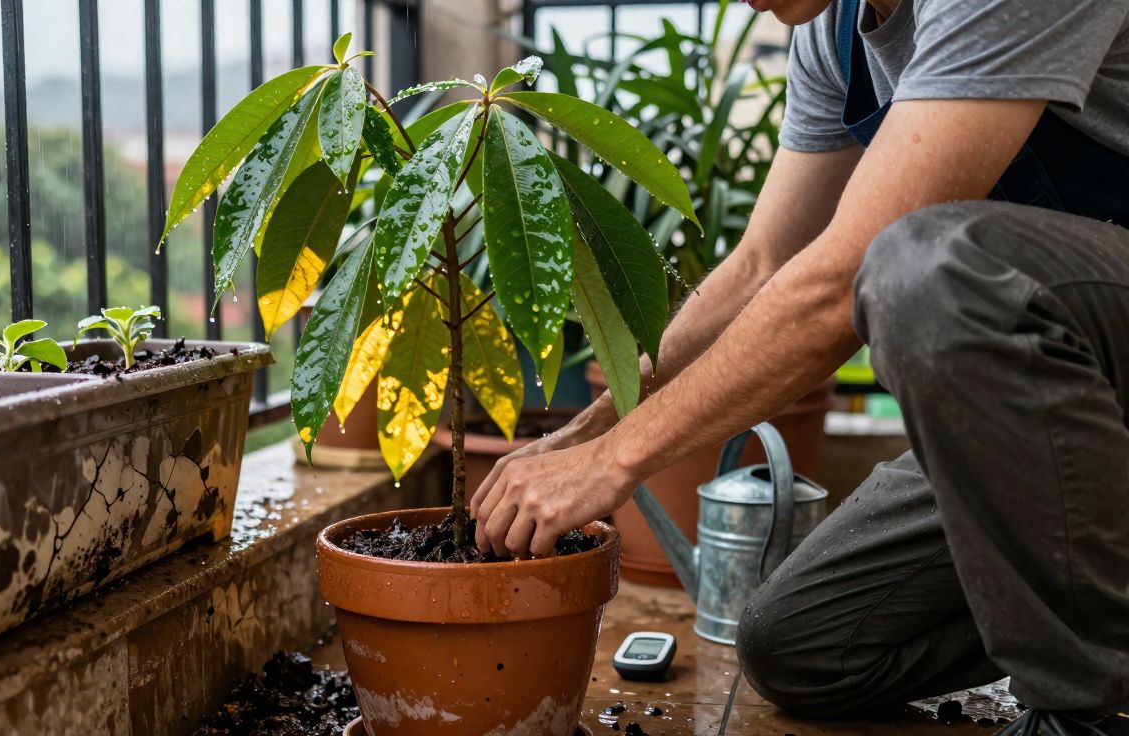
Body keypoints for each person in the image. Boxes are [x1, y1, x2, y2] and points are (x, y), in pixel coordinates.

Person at [468, 0, 1129, 731]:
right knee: (800, 646)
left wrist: (617, 461)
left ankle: (1085, 709)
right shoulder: (833, 32)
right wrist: (590, 431)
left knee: (927, 268)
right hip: (1070, 408)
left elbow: (840, 278)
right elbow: (763, 263)